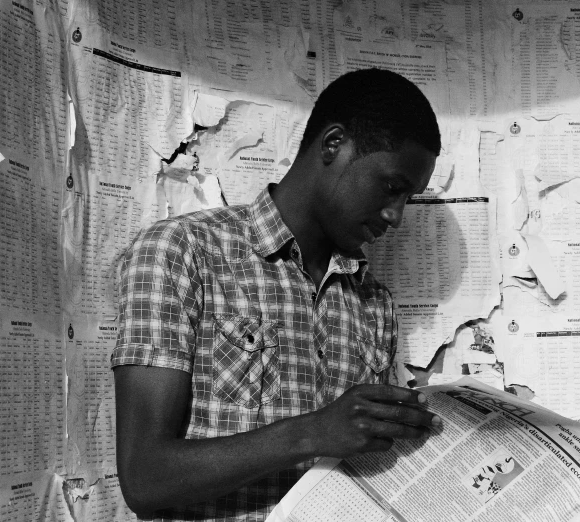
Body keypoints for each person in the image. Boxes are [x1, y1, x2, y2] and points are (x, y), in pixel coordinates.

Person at [111, 68, 442, 521]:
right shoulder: (182, 251)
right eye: (392, 187)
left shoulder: (375, 305)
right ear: (333, 145)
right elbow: (144, 478)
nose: (396, 215)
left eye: (409, 199)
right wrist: (311, 434)